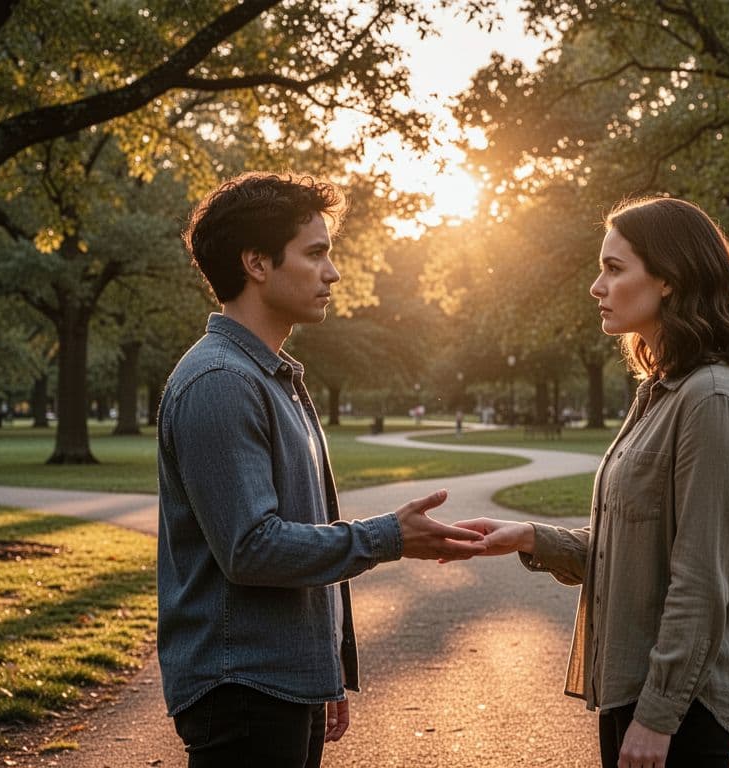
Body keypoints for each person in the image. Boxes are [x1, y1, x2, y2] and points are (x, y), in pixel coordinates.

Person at [157, 172, 487, 768]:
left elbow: (298, 527)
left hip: (284, 681)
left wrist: (325, 661)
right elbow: (251, 548)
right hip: (244, 689)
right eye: (315, 254)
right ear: (257, 263)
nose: (332, 272)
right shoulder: (221, 383)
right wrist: (388, 537)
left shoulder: (269, 375)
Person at [452, 197, 729, 768]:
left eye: (615, 269)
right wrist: (530, 537)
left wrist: (657, 716)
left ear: (669, 279)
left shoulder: (712, 400)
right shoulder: (660, 391)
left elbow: (701, 580)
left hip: (682, 709)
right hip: (639, 689)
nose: (597, 286)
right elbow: (631, 546)